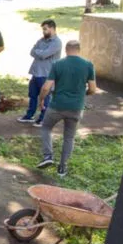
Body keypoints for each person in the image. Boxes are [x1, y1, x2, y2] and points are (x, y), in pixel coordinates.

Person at [36, 40, 97, 177]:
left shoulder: (58, 64)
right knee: (69, 137)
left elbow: (46, 87)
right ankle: (62, 168)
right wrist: (83, 95)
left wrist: (41, 100)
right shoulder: (88, 65)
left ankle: (48, 156)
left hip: (57, 105)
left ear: (66, 50)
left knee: (46, 128)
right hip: (76, 108)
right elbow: (93, 89)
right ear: (79, 50)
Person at [18, 19, 62, 127]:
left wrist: (39, 53)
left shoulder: (56, 42)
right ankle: (30, 116)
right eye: (43, 29)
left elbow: (44, 55)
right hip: (36, 73)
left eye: (45, 29)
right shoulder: (42, 40)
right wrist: (40, 53)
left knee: (45, 98)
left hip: (47, 75)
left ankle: (43, 119)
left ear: (52, 28)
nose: (43, 31)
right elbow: (32, 51)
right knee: (32, 95)